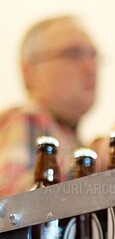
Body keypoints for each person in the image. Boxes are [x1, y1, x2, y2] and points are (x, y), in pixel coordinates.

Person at [0, 15, 99, 196]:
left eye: (93, 55)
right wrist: (94, 161)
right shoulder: (28, 119)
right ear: (31, 72)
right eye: (73, 54)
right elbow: (9, 203)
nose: (91, 67)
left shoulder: (71, 137)